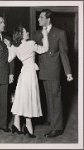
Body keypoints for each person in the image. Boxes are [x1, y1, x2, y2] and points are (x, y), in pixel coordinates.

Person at [33, 9, 73, 138]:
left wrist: (68, 73)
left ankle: (58, 128)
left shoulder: (59, 33)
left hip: (54, 70)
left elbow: (63, 54)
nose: (38, 19)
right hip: (43, 70)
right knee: (48, 97)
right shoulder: (37, 34)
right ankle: (51, 120)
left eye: (41, 17)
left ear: (48, 19)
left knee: (55, 98)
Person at [4, 25, 49, 138]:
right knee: (29, 98)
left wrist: (9, 46)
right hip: (30, 74)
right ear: (21, 35)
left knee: (22, 98)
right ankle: (28, 126)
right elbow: (45, 49)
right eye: (25, 31)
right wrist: (45, 36)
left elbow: (8, 59)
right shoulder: (31, 43)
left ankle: (16, 123)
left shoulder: (16, 46)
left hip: (23, 74)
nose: (28, 32)